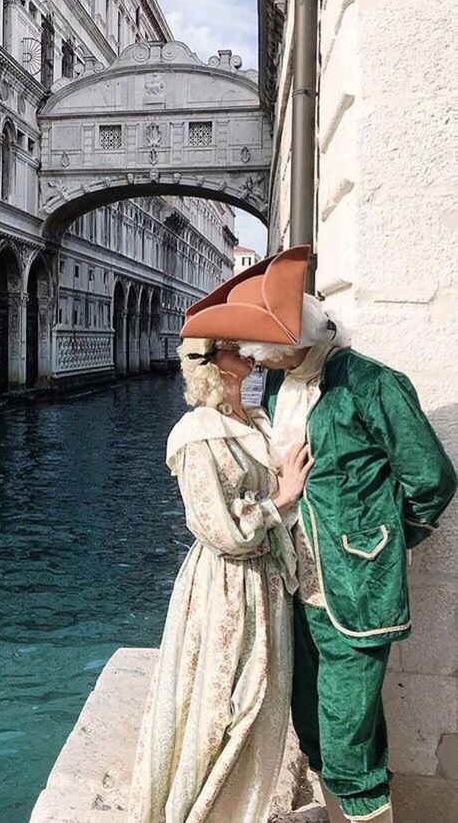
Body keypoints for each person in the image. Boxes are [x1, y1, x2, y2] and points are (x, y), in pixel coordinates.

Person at [182, 245, 457, 823]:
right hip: (294, 587)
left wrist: (379, 544)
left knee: (347, 735)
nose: (264, 369)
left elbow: (431, 478)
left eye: (271, 358)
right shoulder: (284, 386)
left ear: (301, 341)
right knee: (308, 716)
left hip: (355, 591)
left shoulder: (373, 385)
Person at [128, 325, 311, 820]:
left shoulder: (254, 419)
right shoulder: (194, 436)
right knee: (224, 706)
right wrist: (281, 499)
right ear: (211, 361)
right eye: (232, 345)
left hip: (266, 583)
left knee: (261, 699)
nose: (244, 349)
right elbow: (220, 531)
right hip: (225, 588)